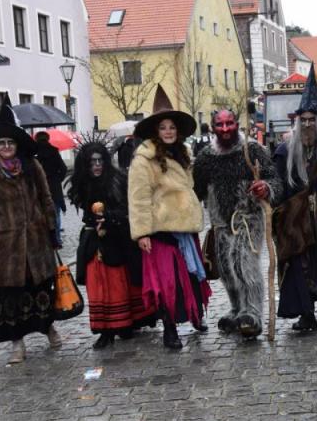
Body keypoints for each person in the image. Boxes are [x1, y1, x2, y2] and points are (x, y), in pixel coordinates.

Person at [0, 96, 60, 364]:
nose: (6, 147)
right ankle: (17, 343)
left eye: (10, 142)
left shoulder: (32, 166)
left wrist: (52, 230)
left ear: (17, 145)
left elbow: (46, 198)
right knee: (9, 296)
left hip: (35, 239)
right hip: (3, 244)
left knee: (40, 288)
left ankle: (48, 328)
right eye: (1, 143)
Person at [128, 86, 211, 349]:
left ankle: (196, 316)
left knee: (192, 277)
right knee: (168, 284)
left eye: (172, 127)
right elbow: (138, 197)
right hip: (161, 231)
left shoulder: (183, 153)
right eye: (163, 127)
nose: (168, 131)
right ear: (156, 131)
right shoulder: (144, 160)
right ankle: (170, 329)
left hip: (185, 227)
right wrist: (141, 233)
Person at [193, 109, 280, 339]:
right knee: (225, 269)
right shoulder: (205, 157)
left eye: (229, 123)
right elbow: (195, 190)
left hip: (248, 217)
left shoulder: (252, 149)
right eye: (219, 125)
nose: (224, 129)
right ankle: (236, 308)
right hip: (220, 222)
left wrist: (265, 187)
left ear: (237, 124)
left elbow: (274, 180)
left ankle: (252, 312)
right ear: (212, 127)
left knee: (243, 264)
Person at [68, 139, 155, 349]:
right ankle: (105, 330)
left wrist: (111, 218)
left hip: (118, 240)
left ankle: (125, 323)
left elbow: (129, 209)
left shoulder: (118, 180)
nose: (96, 165)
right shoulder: (83, 184)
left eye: (99, 161)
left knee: (120, 284)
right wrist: (94, 221)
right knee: (97, 286)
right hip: (94, 242)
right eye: (91, 162)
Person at [273, 69, 317, 331]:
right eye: (303, 120)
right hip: (297, 222)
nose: (308, 124)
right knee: (300, 267)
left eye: (312, 119)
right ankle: (306, 313)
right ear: (297, 121)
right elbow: (278, 185)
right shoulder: (285, 151)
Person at [34, 132, 68, 241]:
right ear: (47, 139)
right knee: (55, 213)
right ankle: (57, 239)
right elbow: (63, 168)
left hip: (38, 187)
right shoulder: (54, 151)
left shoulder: (33, 153)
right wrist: (58, 179)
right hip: (54, 186)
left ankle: (44, 239)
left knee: (40, 213)